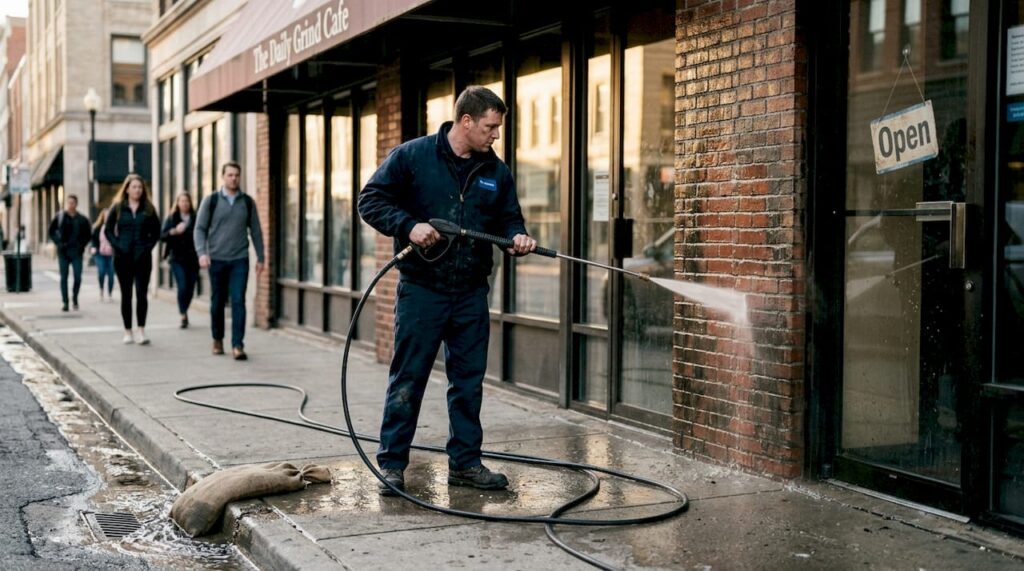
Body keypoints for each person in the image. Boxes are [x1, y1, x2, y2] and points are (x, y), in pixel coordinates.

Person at [357, 86, 536, 496]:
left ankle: (466, 464)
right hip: (422, 290)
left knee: (468, 382)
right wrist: (408, 225)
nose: (495, 135)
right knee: (409, 377)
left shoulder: (496, 171)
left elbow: (509, 219)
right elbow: (370, 200)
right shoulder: (413, 157)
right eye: (490, 127)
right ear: (466, 121)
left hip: (471, 292)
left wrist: (518, 237)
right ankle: (392, 464)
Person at [194, 161, 265, 361]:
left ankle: (237, 345)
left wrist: (261, 257)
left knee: (238, 301)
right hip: (216, 259)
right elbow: (199, 229)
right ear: (223, 177)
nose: (233, 178)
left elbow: (256, 232)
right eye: (230, 175)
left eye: (236, 175)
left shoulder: (247, 203)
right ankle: (217, 338)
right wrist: (202, 253)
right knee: (217, 302)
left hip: (239, 260)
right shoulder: (212, 201)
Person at [104, 174, 161, 345]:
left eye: (140, 187)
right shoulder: (118, 207)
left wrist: (147, 247)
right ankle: (128, 331)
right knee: (126, 295)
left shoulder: (149, 209)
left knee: (141, 294)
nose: (137, 190)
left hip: (143, 258)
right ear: (127, 189)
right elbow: (107, 230)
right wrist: (117, 245)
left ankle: (141, 331)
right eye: (134, 186)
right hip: (122, 258)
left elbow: (156, 232)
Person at [161, 192, 200, 328]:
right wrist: (173, 232)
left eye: (187, 201)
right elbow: (162, 236)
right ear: (177, 203)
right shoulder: (172, 218)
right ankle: (183, 314)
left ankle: (185, 309)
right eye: (182, 201)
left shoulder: (196, 218)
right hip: (177, 258)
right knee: (182, 286)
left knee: (190, 288)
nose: (185, 204)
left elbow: (202, 234)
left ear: (190, 203)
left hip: (193, 258)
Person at [48, 194, 92, 311]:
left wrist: (82, 245)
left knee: (77, 277)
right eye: (69, 203)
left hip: (77, 252)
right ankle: (65, 302)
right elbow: (51, 231)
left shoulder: (82, 219)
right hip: (63, 252)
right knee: (64, 277)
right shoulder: (60, 217)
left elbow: (88, 234)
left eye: (73, 203)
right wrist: (59, 243)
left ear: (76, 204)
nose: (70, 205)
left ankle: (75, 298)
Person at [90, 207, 115, 302]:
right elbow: (93, 240)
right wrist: (94, 248)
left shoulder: (114, 227)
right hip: (99, 253)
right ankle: (101, 290)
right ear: (103, 217)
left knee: (111, 274)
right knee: (101, 272)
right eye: (106, 216)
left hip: (111, 254)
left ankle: (110, 293)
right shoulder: (97, 228)